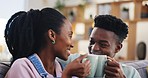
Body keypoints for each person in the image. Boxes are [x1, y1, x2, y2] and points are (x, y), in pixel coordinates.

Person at [4, 8, 91, 78]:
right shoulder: (22, 67)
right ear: (52, 35)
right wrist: (66, 75)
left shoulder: (61, 68)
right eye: (69, 36)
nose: (72, 44)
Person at [58, 15, 141, 78]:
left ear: (117, 48)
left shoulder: (130, 73)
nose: (94, 48)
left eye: (103, 45)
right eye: (92, 42)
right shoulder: (74, 61)